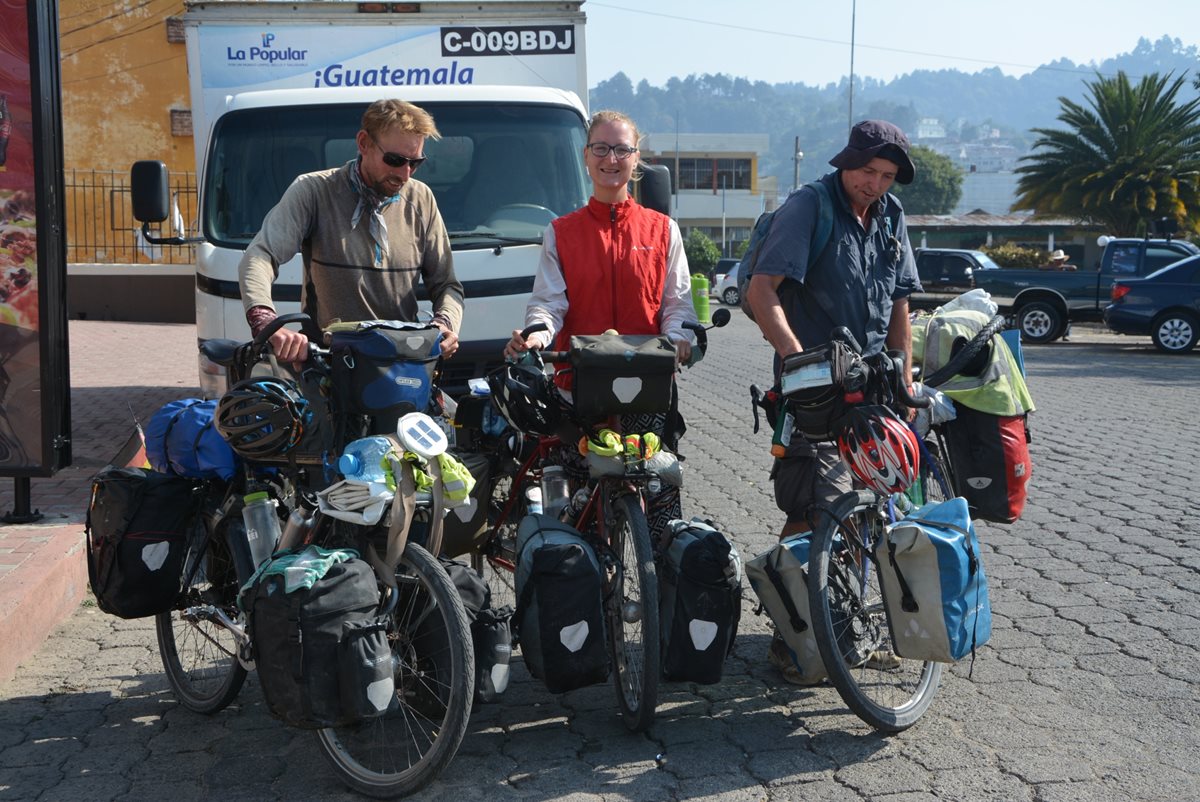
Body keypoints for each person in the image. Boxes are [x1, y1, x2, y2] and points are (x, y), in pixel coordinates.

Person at [745, 119, 921, 684]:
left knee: (865, 508)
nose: (875, 183)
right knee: (810, 508)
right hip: (814, 390)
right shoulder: (810, 207)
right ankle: (792, 640)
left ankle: (845, 628)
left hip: (871, 386)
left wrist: (906, 384)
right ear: (846, 163)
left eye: (887, 176)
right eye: (868, 171)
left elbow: (900, 308)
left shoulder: (891, 217)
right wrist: (799, 363)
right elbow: (761, 291)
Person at [503, 109, 698, 535]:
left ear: (636, 157)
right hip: (579, 393)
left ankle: (658, 594)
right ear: (586, 157)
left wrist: (680, 338)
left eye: (622, 149)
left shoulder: (663, 229)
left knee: (662, 522)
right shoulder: (562, 231)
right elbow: (548, 303)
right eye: (601, 148)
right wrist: (536, 335)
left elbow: (677, 304)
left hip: (647, 392)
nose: (612, 158)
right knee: (581, 525)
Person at [239, 99, 464, 362]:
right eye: (395, 160)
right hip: (329, 364)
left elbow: (447, 284)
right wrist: (265, 320)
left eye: (415, 163)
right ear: (363, 143)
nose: (404, 174)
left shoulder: (421, 198)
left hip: (403, 363)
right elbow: (260, 255)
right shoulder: (315, 191)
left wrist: (445, 322)